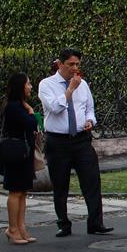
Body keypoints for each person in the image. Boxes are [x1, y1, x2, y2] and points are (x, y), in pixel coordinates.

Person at [38, 48, 113, 237]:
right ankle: (63, 223)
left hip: (81, 140)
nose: (75, 68)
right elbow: (55, 108)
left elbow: (89, 109)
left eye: (77, 64)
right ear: (60, 64)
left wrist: (90, 121)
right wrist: (70, 89)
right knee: (60, 184)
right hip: (58, 141)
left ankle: (95, 222)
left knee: (92, 180)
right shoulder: (47, 84)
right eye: (71, 64)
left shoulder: (84, 85)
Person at [0, 73, 37, 244]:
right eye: (28, 84)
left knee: (23, 191)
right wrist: (31, 112)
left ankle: (21, 227)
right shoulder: (14, 107)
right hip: (16, 153)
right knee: (15, 191)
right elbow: (30, 124)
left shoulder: (20, 105)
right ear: (20, 86)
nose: (30, 87)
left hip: (24, 152)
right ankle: (12, 228)